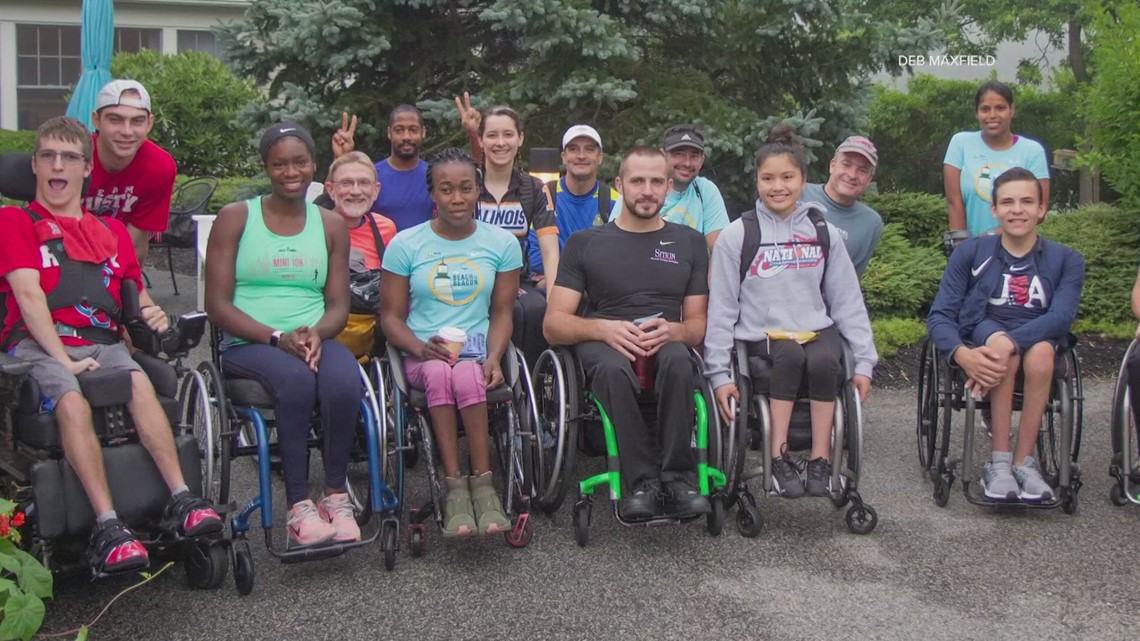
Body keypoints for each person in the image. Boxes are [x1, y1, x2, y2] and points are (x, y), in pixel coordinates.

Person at [0, 116, 221, 574]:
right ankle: (107, 524)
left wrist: (151, 313)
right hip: (37, 345)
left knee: (139, 384)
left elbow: (132, 295)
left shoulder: (112, 232)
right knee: (72, 399)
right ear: (35, 166)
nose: (58, 165)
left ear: (86, 169)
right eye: (48, 156)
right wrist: (64, 359)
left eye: (70, 157)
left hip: (102, 341)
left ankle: (183, 500)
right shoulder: (14, 221)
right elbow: (27, 294)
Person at [205, 123, 363, 548]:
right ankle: (298, 505)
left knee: (346, 382)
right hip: (251, 342)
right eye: (280, 164)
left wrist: (315, 334)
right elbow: (217, 305)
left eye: (299, 162)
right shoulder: (236, 217)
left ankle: (335, 495)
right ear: (266, 168)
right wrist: (278, 337)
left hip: (313, 336)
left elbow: (338, 305)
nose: (291, 171)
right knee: (294, 381)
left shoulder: (330, 224)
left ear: (314, 165)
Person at [703, 126, 876, 499]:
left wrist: (863, 363)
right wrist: (718, 373)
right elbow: (721, 309)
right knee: (789, 355)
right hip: (765, 333)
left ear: (803, 180)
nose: (777, 186)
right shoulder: (738, 236)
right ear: (756, 181)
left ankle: (820, 458)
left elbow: (847, 300)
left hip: (814, 327)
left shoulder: (822, 232)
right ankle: (777, 456)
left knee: (826, 360)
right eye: (768, 178)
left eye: (787, 177)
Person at [543, 145, 711, 520]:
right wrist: (602, 328)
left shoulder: (690, 242)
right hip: (605, 340)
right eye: (637, 181)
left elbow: (698, 326)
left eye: (656, 181)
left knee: (680, 363)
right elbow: (553, 324)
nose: (647, 190)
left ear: (668, 186)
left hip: (665, 339)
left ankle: (680, 481)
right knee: (612, 369)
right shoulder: (585, 243)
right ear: (620, 185)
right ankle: (640, 484)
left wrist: (674, 331)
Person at [379, 148, 521, 537]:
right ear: (433, 194)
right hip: (422, 351)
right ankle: (454, 486)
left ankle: (484, 484)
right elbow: (390, 317)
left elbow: (502, 313)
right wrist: (419, 347)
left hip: (477, 351)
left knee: (465, 376)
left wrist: (494, 356)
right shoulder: (406, 245)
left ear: (478, 191)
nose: (456, 198)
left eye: (465, 189)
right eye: (446, 190)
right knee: (443, 372)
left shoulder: (502, 244)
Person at [927, 167, 1085, 502]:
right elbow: (940, 315)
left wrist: (1013, 341)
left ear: (1042, 209)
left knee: (1037, 352)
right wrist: (961, 353)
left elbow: (1060, 317)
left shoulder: (1067, 259)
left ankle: (1023, 462)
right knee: (1002, 349)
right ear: (994, 209)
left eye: (1027, 201)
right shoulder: (970, 253)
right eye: (1008, 202)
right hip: (983, 328)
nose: (1017, 209)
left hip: (1041, 334)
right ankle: (998, 462)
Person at [458, 104, 558, 367]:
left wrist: (556, 298)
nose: (500, 143)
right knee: (508, 311)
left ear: (520, 138)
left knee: (537, 309)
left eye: (508, 135)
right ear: (480, 140)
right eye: (492, 135)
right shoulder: (467, 186)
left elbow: (549, 249)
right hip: (472, 278)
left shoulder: (534, 188)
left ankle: (533, 386)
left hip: (516, 278)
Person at [84, 79, 176, 266]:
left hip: (117, 263)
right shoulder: (72, 158)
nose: (127, 131)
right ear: (96, 120)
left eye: (137, 121)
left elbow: (135, 244)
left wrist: (130, 289)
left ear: (149, 123)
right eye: (115, 119)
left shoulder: (159, 167)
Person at [944, 81, 1050, 238]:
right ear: (976, 112)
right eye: (985, 109)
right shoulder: (960, 143)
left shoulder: (1032, 151)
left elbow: (1040, 210)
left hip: (1018, 248)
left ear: (1011, 110)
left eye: (1000, 108)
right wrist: (962, 248)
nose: (992, 115)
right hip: (971, 251)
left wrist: (991, 236)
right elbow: (954, 202)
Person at [524, 124, 619, 285]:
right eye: (573, 149)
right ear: (563, 156)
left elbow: (615, 260)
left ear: (600, 157)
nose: (581, 156)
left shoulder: (614, 201)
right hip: (546, 288)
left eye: (589, 149)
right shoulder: (543, 195)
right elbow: (534, 257)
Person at [323, 151, 396, 359]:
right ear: (331, 189)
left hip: (372, 341)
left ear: (376, 190)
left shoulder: (385, 229)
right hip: (324, 336)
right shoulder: (315, 227)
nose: (356, 191)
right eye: (346, 183)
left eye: (364, 183)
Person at [615, 124, 730, 251]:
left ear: (702, 160)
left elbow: (719, 250)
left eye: (694, 156)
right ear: (663, 155)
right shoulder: (639, 191)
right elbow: (615, 240)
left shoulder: (705, 190)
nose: (687, 163)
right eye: (678, 154)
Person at [329, 106, 436, 231]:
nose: (406, 136)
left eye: (413, 130)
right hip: (377, 248)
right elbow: (332, 203)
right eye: (399, 130)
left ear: (423, 132)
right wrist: (340, 158)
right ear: (389, 133)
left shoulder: (434, 176)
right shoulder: (371, 176)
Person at [799, 136, 884, 275]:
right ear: (832, 165)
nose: (852, 175)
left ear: (869, 179)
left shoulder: (871, 223)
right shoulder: (799, 192)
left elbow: (852, 280)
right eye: (846, 164)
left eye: (862, 170)